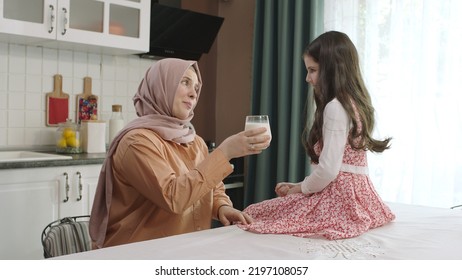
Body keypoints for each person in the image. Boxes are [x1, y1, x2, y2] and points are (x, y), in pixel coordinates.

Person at [89, 58, 271, 249]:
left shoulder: (195, 141)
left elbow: (211, 188)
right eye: (185, 82)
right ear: (161, 87)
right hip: (137, 255)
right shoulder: (137, 142)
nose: (193, 94)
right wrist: (225, 153)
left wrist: (221, 207)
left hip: (183, 249)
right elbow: (174, 197)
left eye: (196, 87)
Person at [237, 31, 395, 240]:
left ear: (332, 69)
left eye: (312, 70)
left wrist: (300, 189)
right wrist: (299, 186)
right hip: (358, 198)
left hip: (339, 199)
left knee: (253, 213)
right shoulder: (354, 104)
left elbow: (329, 170)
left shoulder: (335, 107)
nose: (307, 78)